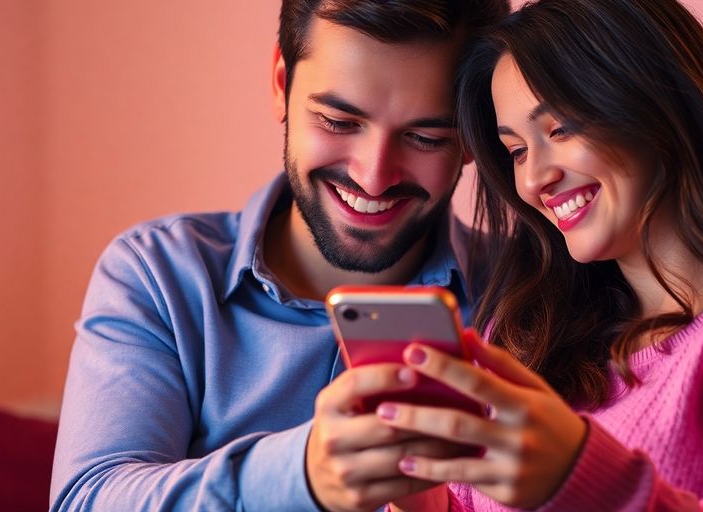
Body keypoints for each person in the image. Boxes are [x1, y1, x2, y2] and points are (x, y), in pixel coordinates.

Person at [376, 0, 703, 510]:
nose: (534, 180)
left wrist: (575, 475)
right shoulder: (528, 335)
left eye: (560, 129)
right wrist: (419, 498)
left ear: (655, 101)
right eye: (517, 151)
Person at [48, 1, 509, 512]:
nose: (374, 176)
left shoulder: (527, 294)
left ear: (473, 134)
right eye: (338, 121)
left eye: (425, 137)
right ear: (280, 85)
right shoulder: (158, 274)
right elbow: (88, 500)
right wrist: (303, 473)